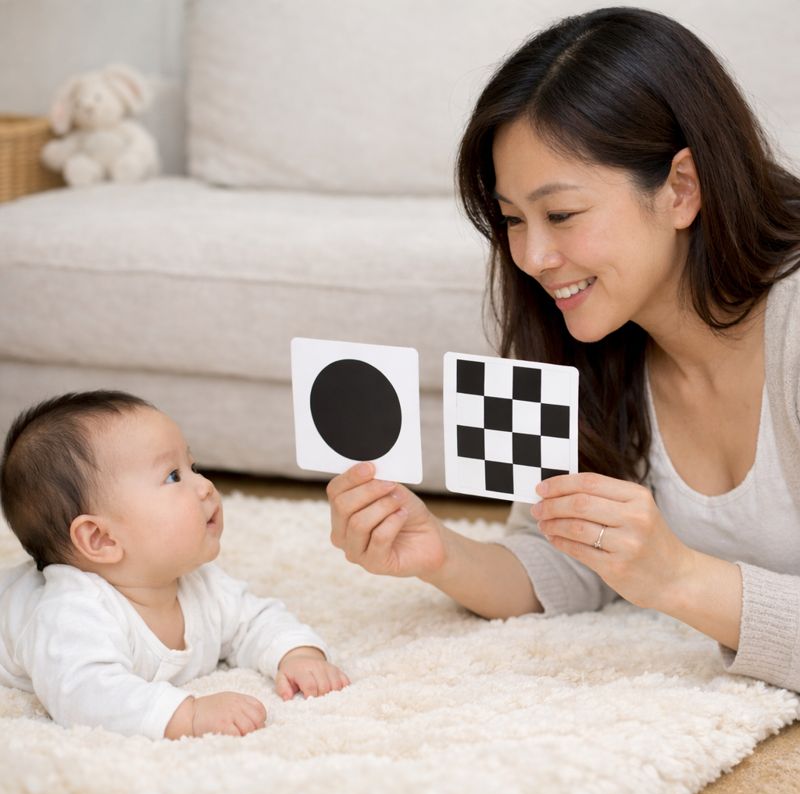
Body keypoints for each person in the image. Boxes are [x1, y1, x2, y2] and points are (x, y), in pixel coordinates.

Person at [326, 7, 800, 691]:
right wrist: (438, 552)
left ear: (682, 188)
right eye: (514, 219)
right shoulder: (585, 333)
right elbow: (561, 556)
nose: (533, 256)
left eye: (562, 214)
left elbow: (657, 573)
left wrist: (677, 576)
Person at [0, 391, 349, 739]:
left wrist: (298, 654)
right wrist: (188, 714)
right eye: (173, 476)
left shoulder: (199, 583)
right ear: (101, 539)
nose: (206, 486)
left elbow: (254, 619)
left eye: (192, 467)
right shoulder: (70, 614)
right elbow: (85, 695)